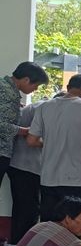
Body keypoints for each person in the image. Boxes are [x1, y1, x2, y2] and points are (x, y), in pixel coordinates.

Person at [27, 74, 81, 222]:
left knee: (50, 223)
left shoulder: (44, 107)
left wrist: (51, 143)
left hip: (50, 177)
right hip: (79, 179)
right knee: (75, 223)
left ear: (68, 88)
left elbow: (31, 140)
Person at [0, 62, 48, 194]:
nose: (36, 89)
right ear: (26, 79)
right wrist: (25, 131)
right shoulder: (6, 93)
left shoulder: (8, 91)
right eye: (36, 85)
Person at [8, 99, 46, 244]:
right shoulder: (44, 108)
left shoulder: (36, 107)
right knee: (27, 212)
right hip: (26, 166)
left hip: (23, 165)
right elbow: (32, 137)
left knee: (25, 211)